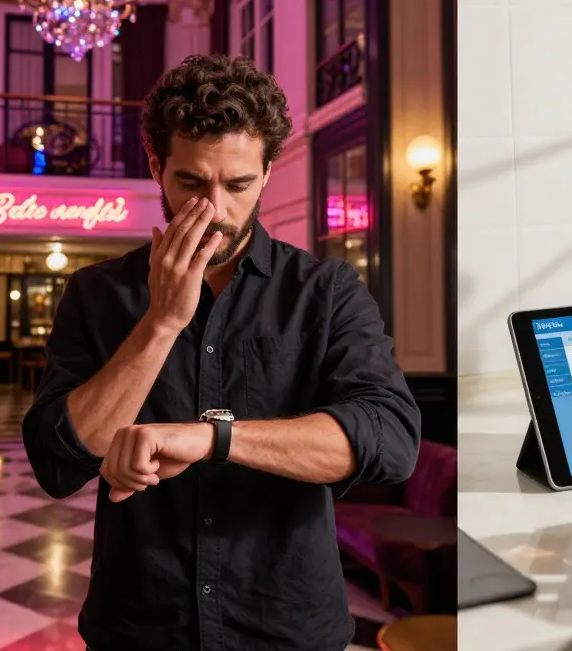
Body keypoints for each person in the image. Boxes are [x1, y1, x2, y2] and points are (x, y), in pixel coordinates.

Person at [22, 55, 421, 651]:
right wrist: (161, 323)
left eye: (237, 185)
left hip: (285, 624)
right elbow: (59, 463)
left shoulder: (326, 291)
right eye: (191, 182)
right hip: (140, 625)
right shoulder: (96, 293)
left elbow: (390, 440)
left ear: (266, 172)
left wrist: (215, 438)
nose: (215, 209)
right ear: (157, 166)